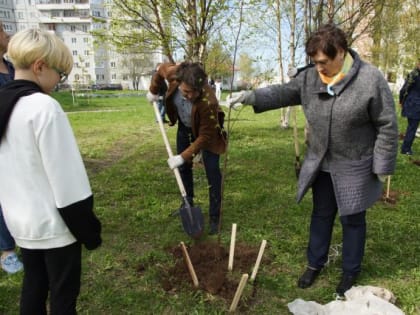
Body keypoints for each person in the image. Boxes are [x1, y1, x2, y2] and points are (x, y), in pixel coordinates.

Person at [227, 23, 398, 296]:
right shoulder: (311, 77)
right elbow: (285, 92)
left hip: (355, 164)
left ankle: (350, 271)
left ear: (341, 52)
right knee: (321, 214)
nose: (319, 68)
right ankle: (314, 263)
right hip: (322, 163)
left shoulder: (370, 79)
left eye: (323, 62)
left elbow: (387, 124)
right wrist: (251, 96)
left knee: (353, 220)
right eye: (314, 62)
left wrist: (382, 166)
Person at [0, 28, 102, 314]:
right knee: (62, 296)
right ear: (40, 66)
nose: (59, 82)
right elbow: (68, 182)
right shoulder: (43, 108)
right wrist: (89, 230)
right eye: (61, 73)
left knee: (33, 285)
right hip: (56, 227)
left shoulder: (3, 104)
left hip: (22, 225)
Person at [147, 62, 227, 234]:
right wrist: (153, 91)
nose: (188, 95)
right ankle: (187, 202)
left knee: (213, 172)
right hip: (184, 126)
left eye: (192, 92)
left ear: (200, 88)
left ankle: (215, 216)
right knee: (184, 168)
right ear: (179, 81)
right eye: (185, 91)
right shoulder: (173, 73)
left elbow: (204, 137)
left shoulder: (209, 102)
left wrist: (183, 156)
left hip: (208, 133)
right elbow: (160, 70)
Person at [0, 20, 24, 274]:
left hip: (18, 138)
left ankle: (22, 238)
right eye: (2, 30)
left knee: (17, 190)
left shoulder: (11, 67)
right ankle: (7, 251)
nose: (7, 35)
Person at [400, 59, 420, 155]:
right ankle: (405, 149)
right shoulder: (414, 75)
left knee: (412, 127)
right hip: (413, 105)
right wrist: (401, 101)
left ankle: (406, 148)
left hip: (415, 105)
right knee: (412, 127)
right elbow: (404, 89)